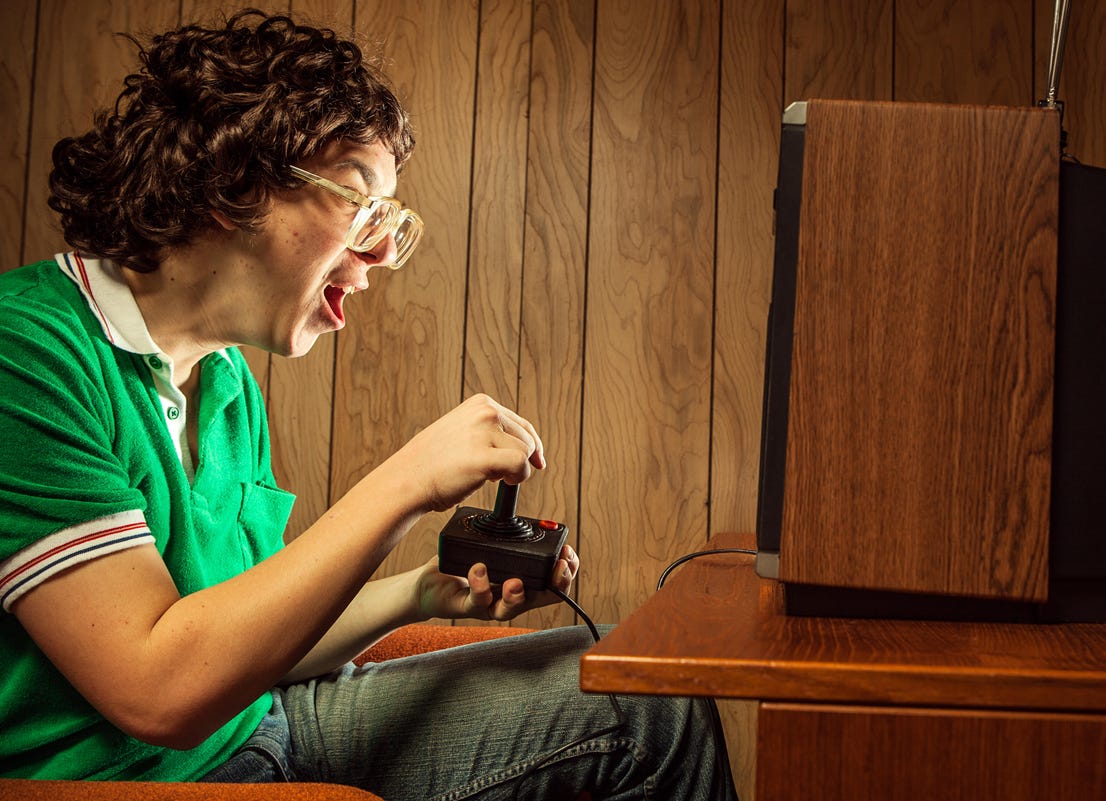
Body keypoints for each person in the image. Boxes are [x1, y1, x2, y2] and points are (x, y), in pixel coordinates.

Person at [0, 9, 737, 800]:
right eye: (360, 206)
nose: (384, 251)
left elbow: (247, 647)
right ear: (232, 185)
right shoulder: (29, 353)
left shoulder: (226, 382)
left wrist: (420, 592)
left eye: (392, 219)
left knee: (649, 702)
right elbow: (159, 688)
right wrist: (411, 479)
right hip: (141, 778)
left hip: (264, 724)